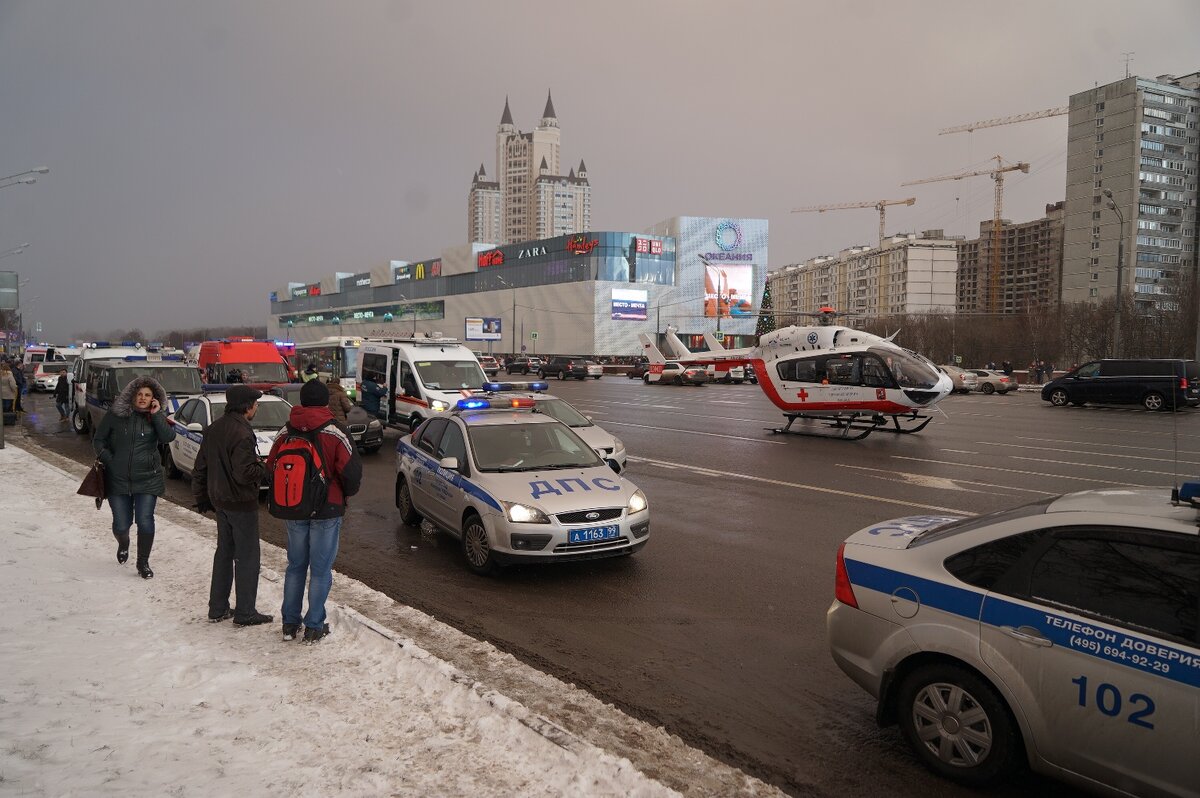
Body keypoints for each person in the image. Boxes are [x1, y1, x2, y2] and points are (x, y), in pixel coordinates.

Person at [267, 379, 362, 643]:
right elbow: (351, 472)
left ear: (301, 401)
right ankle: (314, 625)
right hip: (326, 509)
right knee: (320, 570)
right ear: (324, 402)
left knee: (295, 565)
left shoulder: (285, 430)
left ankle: (289, 624)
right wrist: (343, 494)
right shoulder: (335, 431)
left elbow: (271, 465)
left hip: (294, 508)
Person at [192, 385, 273, 626]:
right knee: (247, 557)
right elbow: (245, 472)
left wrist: (202, 498)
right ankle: (245, 612)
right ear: (247, 406)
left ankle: (217, 608)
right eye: (255, 404)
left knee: (224, 554)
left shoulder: (215, 428)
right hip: (241, 502)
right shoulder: (242, 432)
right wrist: (266, 468)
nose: (257, 407)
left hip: (221, 501)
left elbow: (200, 468)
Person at [92, 376, 176, 578]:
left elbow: (168, 437)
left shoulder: (156, 417)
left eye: (147, 395)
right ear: (132, 395)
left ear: (153, 399)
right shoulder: (116, 415)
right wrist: (110, 460)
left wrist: (157, 415)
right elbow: (99, 439)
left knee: (145, 520)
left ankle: (143, 563)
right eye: (139, 394)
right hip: (117, 478)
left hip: (147, 479)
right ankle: (123, 542)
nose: (142, 398)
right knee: (121, 524)